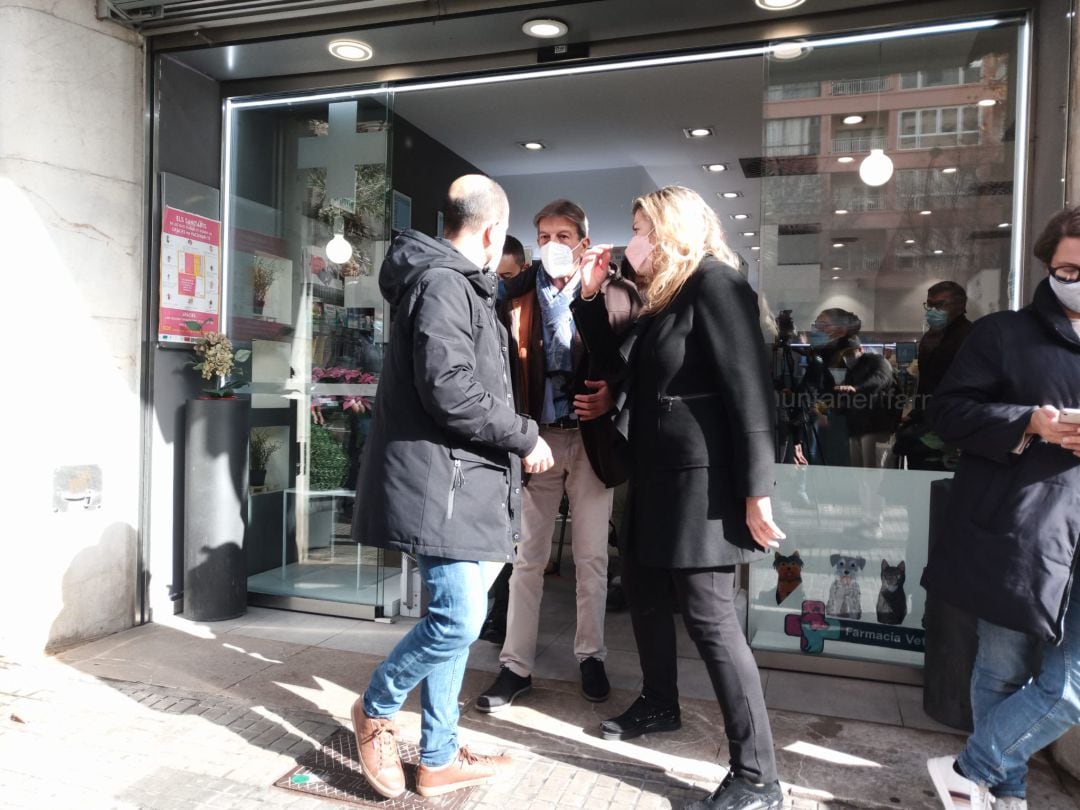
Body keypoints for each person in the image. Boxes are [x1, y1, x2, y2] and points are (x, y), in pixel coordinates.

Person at [576, 186, 786, 810]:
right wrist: (590, 294)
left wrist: (757, 490)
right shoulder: (662, 298)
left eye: (641, 227)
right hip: (656, 476)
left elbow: (750, 393)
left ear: (670, 232)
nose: (632, 239)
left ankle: (758, 778)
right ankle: (660, 702)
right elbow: (615, 357)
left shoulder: (717, 284)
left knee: (712, 621)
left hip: (702, 483)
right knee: (642, 593)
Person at [349, 175, 555, 800]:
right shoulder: (442, 284)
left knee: (459, 617)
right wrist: (526, 436)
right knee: (457, 618)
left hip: (464, 481)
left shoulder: (456, 281)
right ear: (493, 232)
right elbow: (452, 392)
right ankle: (375, 709)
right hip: (445, 482)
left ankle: (437, 756)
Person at [922, 207, 1080, 810]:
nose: (1076, 278)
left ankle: (972, 770)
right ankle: (1003, 795)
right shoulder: (1004, 335)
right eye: (1068, 268)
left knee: (1068, 688)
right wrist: (1029, 423)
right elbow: (949, 412)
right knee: (1001, 668)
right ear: (1047, 266)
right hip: (1023, 529)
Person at [477, 199, 640, 711]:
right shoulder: (515, 293)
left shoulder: (617, 295)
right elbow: (496, 366)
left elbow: (636, 367)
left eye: (564, 235)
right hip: (537, 441)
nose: (553, 245)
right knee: (528, 559)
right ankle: (514, 666)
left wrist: (614, 398)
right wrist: (516, 434)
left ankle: (590, 655)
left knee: (591, 556)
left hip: (591, 443)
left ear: (583, 242)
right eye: (544, 235)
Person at [480, 234, 534, 645]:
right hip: (492, 430)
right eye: (495, 277)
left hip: (525, 431)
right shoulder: (478, 311)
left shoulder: (530, 316)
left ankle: (501, 616)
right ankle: (494, 614)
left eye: (509, 278)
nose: (501, 286)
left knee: (520, 536)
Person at [895, 281, 975, 470]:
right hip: (928, 419)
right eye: (929, 305)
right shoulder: (931, 336)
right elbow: (927, 381)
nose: (932, 310)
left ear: (960, 306)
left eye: (939, 305)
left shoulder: (970, 336)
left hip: (952, 423)